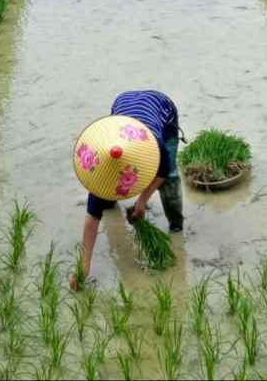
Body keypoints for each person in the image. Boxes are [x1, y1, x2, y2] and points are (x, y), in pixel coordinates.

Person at [72, 90, 184, 289]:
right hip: (121, 105)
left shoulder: (155, 148)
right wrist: (85, 264)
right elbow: (92, 219)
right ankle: (109, 201)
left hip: (163, 111)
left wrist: (141, 201)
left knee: (170, 178)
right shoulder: (99, 170)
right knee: (101, 202)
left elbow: (162, 173)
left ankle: (176, 223)